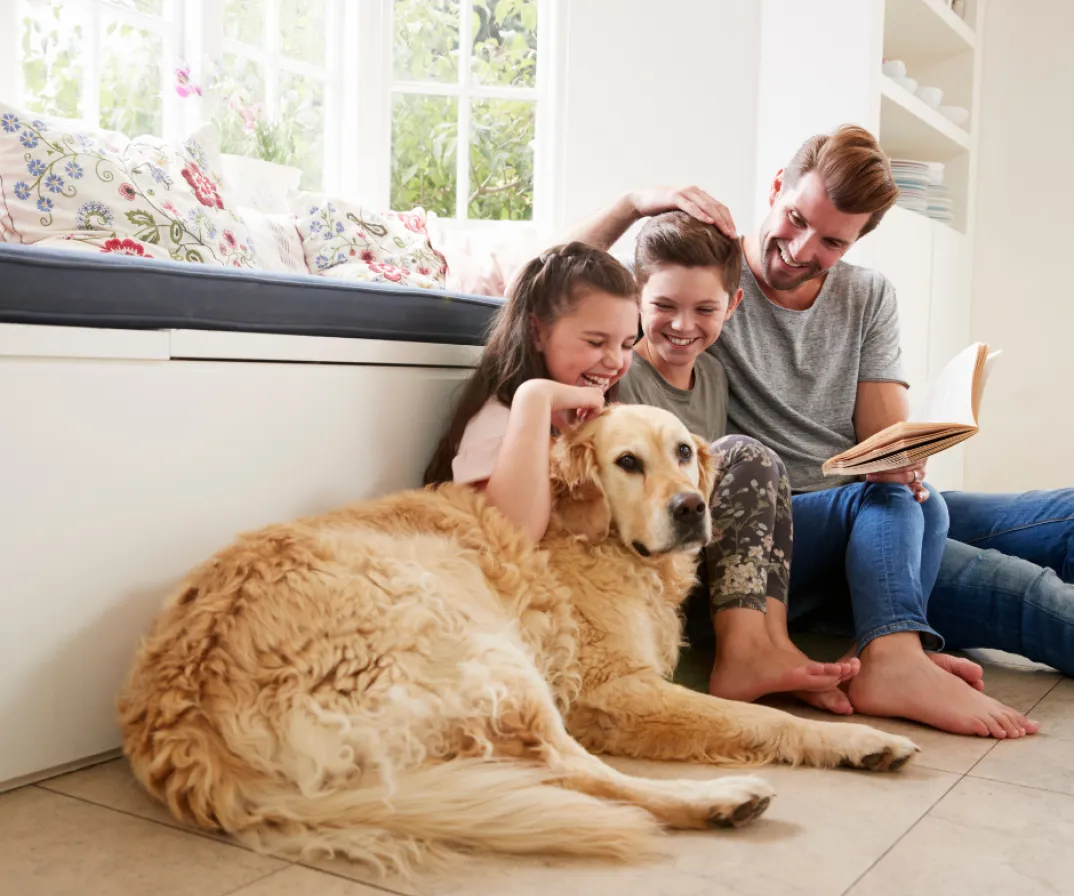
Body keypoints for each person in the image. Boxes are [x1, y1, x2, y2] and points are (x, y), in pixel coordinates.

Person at [568, 125, 1042, 739]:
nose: (799, 248)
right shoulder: (684, 291)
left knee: (937, 509)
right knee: (1017, 586)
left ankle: (896, 649)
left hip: (823, 518)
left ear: (729, 309)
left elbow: (879, 434)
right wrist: (635, 202)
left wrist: (906, 454)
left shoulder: (720, 361)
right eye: (795, 218)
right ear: (776, 189)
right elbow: (555, 283)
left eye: (831, 242)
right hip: (757, 527)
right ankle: (892, 658)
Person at [617, 210, 859, 704]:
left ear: (733, 306)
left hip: (701, 561)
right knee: (744, 452)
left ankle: (773, 645)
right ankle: (744, 655)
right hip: (651, 563)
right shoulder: (622, 378)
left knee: (769, 467)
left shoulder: (713, 376)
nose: (684, 325)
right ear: (635, 299)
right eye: (664, 305)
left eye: (705, 310)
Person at [423, 242, 640, 542]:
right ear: (537, 332)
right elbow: (514, 537)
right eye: (595, 342)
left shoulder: (584, 417)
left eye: (627, 345)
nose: (616, 360)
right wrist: (536, 397)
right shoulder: (499, 424)